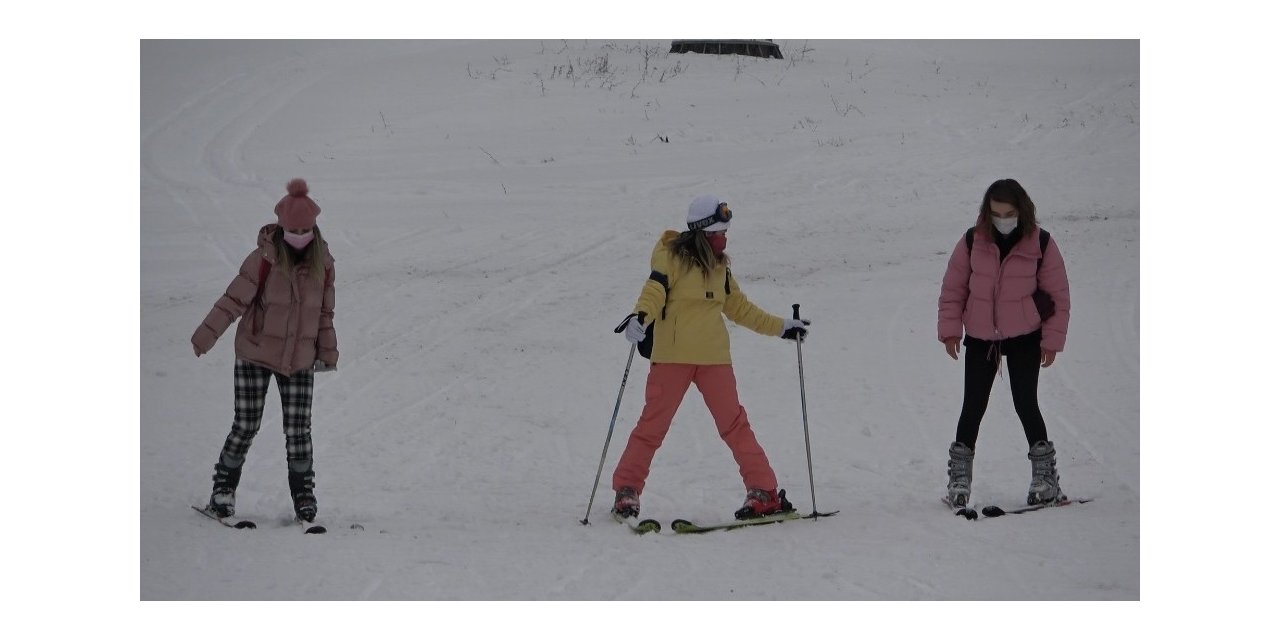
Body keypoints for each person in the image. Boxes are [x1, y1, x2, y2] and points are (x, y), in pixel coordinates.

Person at [611, 194, 811, 521]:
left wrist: (782, 327)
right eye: (719, 232)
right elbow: (654, 291)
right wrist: (639, 317)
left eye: (725, 232)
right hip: (672, 357)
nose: (724, 238)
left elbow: (741, 309)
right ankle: (627, 490)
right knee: (652, 426)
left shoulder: (721, 269)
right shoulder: (670, 259)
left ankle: (764, 491)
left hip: (714, 359)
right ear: (703, 234)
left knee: (735, 424)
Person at [191, 178, 338, 523]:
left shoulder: (324, 264)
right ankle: (222, 492)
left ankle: (304, 497)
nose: (299, 235)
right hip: (255, 353)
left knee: (299, 430)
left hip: (299, 360)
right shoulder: (264, 259)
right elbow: (232, 300)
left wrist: (327, 352)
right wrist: (205, 336)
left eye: (305, 229)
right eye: (293, 229)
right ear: (283, 227)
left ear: (313, 229)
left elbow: (324, 314)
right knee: (245, 424)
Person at [937, 178, 1071, 508]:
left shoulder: (1040, 243)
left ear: (1021, 210)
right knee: (972, 406)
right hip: (982, 339)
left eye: (1009, 213)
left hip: (1025, 336)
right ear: (987, 212)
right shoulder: (972, 241)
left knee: (1026, 403)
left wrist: (1051, 341)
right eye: (996, 213)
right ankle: (959, 480)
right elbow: (953, 289)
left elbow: (1058, 295)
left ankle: (1046, 480)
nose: (1003, 219)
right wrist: (951, 330)